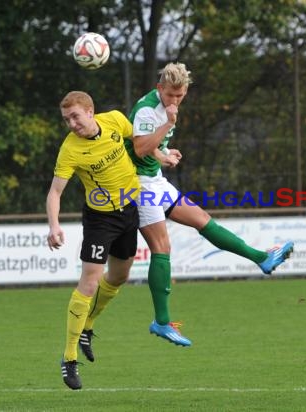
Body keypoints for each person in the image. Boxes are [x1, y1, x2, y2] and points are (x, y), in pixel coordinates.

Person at [99, 62, 291, 349]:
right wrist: (167, 127)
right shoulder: (148, 110)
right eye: (170, 95)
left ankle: (261, 258)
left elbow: (146, 146)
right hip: (137, 184)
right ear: (159, 88)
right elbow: (138, 148)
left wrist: (163, 154)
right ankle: (162, 321)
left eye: (180, 95)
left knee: (201, 218)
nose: (174, 101)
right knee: (161, 248)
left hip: (154, 179)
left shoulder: (166, 107)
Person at [46, 91, 140, 390]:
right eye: (66, 120)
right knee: (90, 281)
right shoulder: (70, 149)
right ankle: (69, 358)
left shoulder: (115, 121)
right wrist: (54, 225)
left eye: (75, 116)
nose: (71, 124)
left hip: (129, 210)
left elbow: (139, 145)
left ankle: (88, 324)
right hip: (100, 219)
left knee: (120, 276)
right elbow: (55, 193)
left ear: (90, 111)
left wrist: (162, 154)